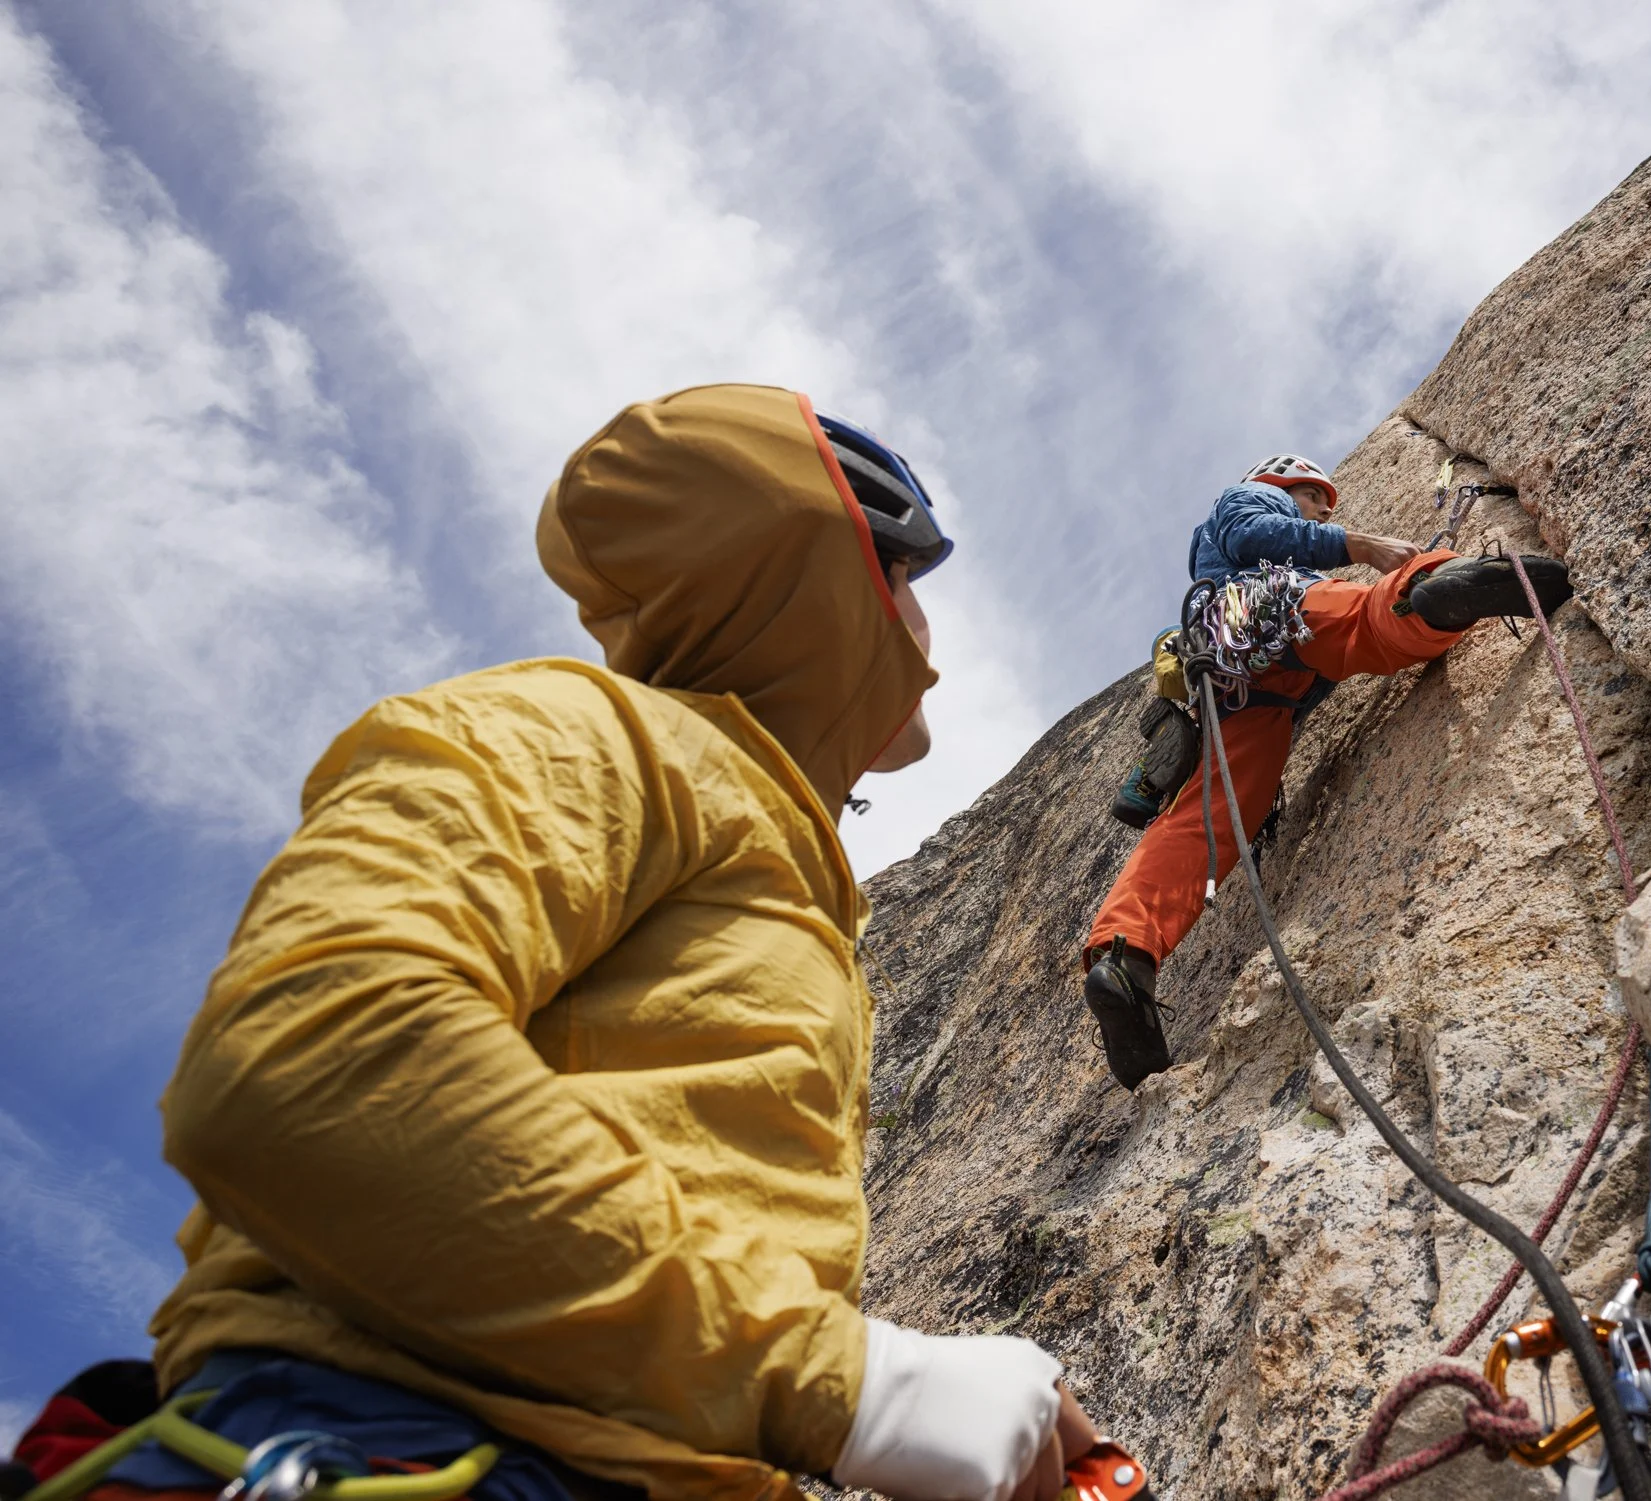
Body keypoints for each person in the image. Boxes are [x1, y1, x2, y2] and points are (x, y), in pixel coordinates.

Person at [68, 385, 1096, 1501]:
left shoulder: (772, 858)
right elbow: (315, 1055)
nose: (932, 630)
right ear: (852, 573)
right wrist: (853, 1384)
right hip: (409, 1445)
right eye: (919, 583)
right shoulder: (599, 737)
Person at [1080, 454, 1574, 1090]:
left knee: (1222, 811)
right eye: (1318, 501)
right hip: (1255, 611)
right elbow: (1258, 539)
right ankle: (1432, 593)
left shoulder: (1220, 556)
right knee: (1366, 619)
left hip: (1241, 675)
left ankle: (1126, 958)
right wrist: (1360, 544)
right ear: (1290, 485)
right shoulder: (1245, 499)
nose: (1323, 512)